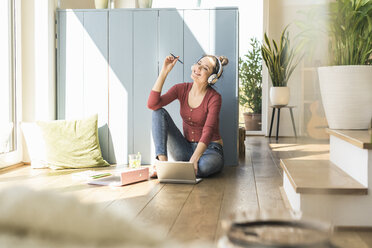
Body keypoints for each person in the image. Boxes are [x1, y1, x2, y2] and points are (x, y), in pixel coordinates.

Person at [147, 54, 229, 178]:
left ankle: (185, 168)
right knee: (158, 112)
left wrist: (195, 158)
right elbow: (153, 104)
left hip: (210, 150)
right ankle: (162, 165)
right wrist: (164, 72)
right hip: (185, 148)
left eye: (205, 68)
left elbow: (208, 130)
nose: (199, 68)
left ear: (212, 78)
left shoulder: (214, 98)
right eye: (199, 64)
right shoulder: (181, 89)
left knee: (204, 167)